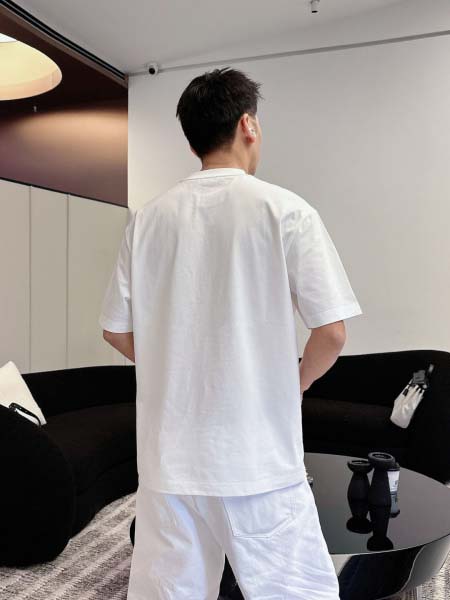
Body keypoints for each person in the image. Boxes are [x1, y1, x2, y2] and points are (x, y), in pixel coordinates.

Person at [99, 66, 363, 600]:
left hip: (169, 459)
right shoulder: (286, 211)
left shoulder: (147, 220)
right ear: (248, 124)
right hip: (257, 459)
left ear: (192, 139)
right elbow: (331, 332)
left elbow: (115, 331)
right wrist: (294, 382)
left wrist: (174, 365)